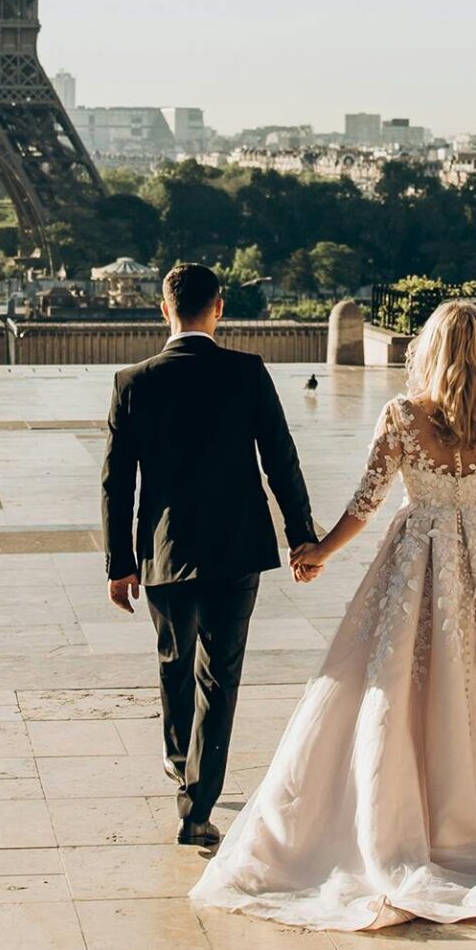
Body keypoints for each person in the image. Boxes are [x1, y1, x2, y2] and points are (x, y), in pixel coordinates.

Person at [192, 298, 476, 928]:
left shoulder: (402, 415)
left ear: (427, 347)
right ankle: (470, 808)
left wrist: (316, 550)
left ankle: (404, 813)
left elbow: (367, 500)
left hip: (416, 559)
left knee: (398, 683)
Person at [102, 261, 320, 850]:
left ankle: (179, 760)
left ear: (163, 310)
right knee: (220, 675)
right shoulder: (248, 373)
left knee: (174, 661)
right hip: (237, 547)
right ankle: (197, 803)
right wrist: (302, 534)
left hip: (165, 549)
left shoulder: (133, 381)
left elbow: (117, 483)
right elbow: (281, 459)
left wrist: (118, 563)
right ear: (219, 307)